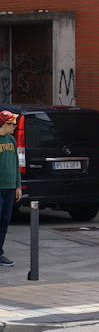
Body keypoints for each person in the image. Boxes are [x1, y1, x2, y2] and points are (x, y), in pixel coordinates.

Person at [0, 111, 22, 268]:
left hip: (9, 187)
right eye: (12, 123)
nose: (15, 126)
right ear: (3, 124)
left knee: (5, 221)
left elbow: (15, 164)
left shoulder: (11, 140)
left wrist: (18, 185)